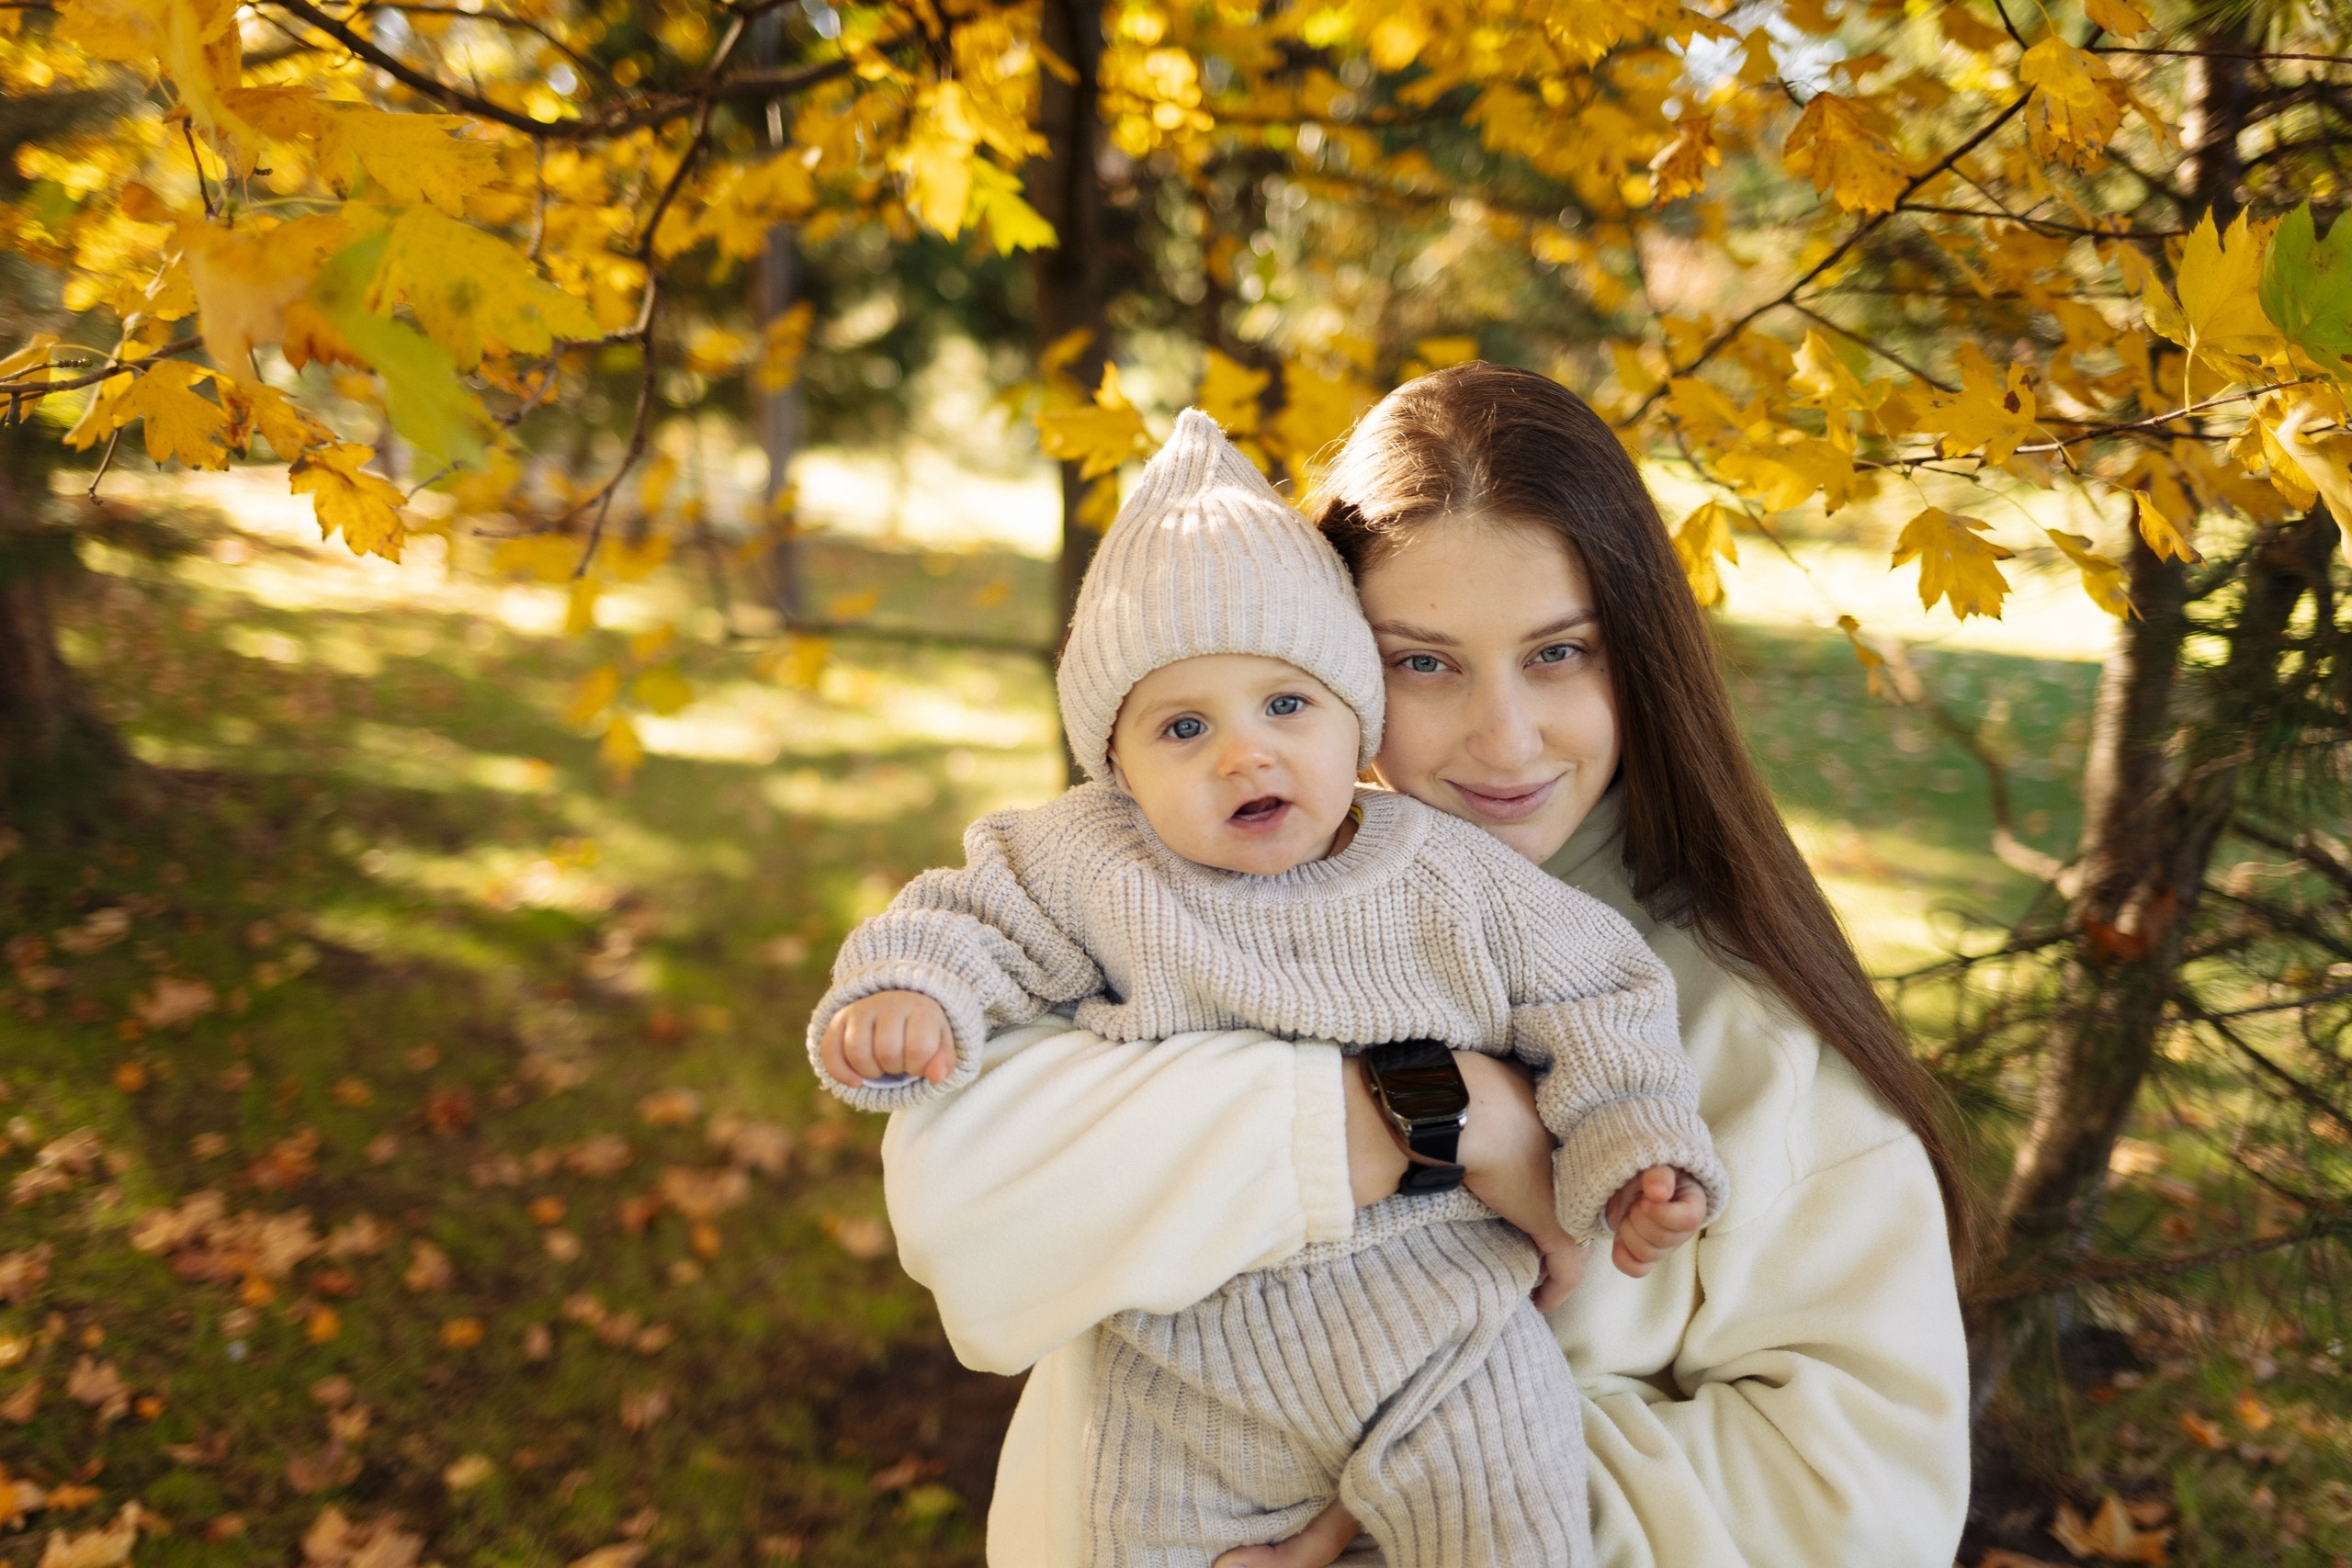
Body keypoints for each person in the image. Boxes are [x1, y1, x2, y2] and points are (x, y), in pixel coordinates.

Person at [881, 363, 1973, 1568]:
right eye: (1425, 662)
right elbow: (961, 1212)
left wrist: (1416, 1510)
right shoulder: (1152, 912)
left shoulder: (1744, 1035)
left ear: (1638, 659)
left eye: (1560, 654)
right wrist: (1423, 1111)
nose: (1505, 740)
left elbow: (1868, 1494)